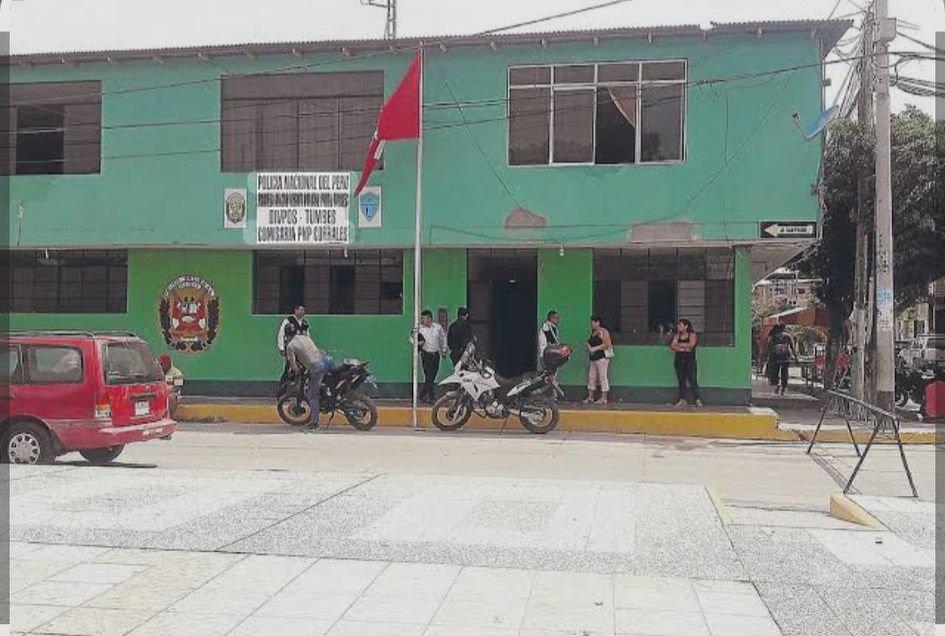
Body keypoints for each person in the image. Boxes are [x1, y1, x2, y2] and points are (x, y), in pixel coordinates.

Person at [285, 333, 330, 432]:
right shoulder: (305, 337)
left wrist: (297, 371)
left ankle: (314, 423)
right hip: (326, 361)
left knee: (312, 395)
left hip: (316, 367)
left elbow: (293, 365)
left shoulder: (290, 346)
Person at [277, 305, 310, 396]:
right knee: (289, 369)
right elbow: (281, 334)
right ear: (295, 310)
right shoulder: (288, 321)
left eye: (303, 310)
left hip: (301, 351)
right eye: (300, 310)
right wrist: (281, 347)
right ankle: (281, 392)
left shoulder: (304, 323)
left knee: (302, 370)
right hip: (291, 350)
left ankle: (300, 392)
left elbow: (307, 337)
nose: (302, 312)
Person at [670, 319, 702, 407]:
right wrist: (684, 348)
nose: (678, 327)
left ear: (686, 326)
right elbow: (672, 345)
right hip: (679, 361)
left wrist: (678, 345)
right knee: (681, 380)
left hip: (689, 361)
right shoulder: (677, 335)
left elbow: (691, 344)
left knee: (692, 379)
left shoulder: (692, 334)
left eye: (680, 325)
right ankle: (682, 399)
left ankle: (697, 399)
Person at [417, 309, 448, 403]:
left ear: (429, 318)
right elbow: (411, 338)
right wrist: (418, 343)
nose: (423, 320)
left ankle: (423, 394)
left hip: (436, 354)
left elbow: (443, 338)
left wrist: (443, 350)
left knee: (433, 375)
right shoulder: (420, 329)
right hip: (426, 354)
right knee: (429, 375)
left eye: (424, 318)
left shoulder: (438, 328)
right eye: (422, 319)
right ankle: (431, 397)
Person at [584, 315, 613, 404]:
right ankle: (590, 397)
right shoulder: (593, 333)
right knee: (591, 376)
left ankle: (604, 398)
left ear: (598, 322)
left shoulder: (603, 331)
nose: (591, 324)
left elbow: (607, 344)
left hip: (602, 358)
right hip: (594, 358)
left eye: (593, 322)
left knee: (602, 376)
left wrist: (595, 349)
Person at [765, 323, 797, 395]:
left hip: (775, 357)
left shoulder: (773, 337)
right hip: (785, 357)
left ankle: (777, 384)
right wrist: (796, 358)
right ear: (784, 328)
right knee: (784, 373)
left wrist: (766, 356)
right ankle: (783, 388)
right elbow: (792, 347)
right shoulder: (787, 336)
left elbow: (769, 347)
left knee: (775, 372)